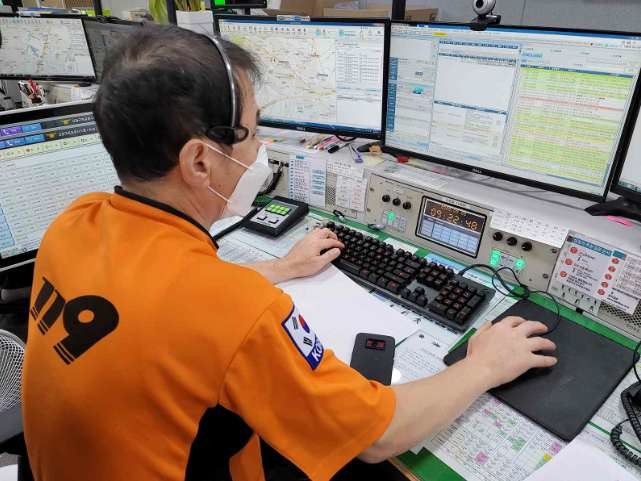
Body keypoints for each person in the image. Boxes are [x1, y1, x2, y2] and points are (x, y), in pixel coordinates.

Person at [22, 24, 557, 481]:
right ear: (199, 162)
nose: (261, 150)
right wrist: (485, 365)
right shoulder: (234, 309)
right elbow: (379, 436)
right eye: (253, 133)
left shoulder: (76, 222)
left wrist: (281, 267)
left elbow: (157, 306)